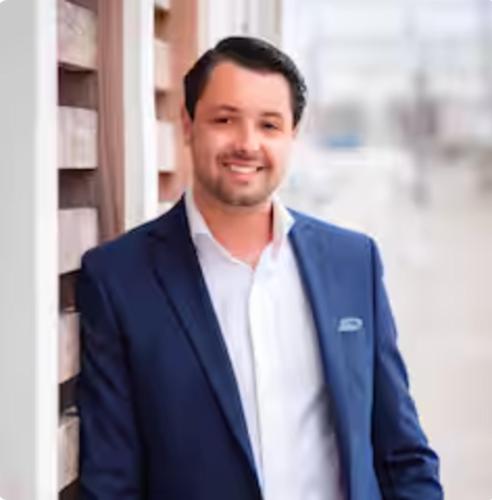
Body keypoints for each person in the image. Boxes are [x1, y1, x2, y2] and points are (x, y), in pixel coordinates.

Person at [76, 36, 443, 500]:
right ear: (188, 124)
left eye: (269, 125)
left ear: (292, 135)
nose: (247, 144)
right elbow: (111, 481)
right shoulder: (119, 278)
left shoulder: (354, 263)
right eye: (224, 119)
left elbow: (402, 453)